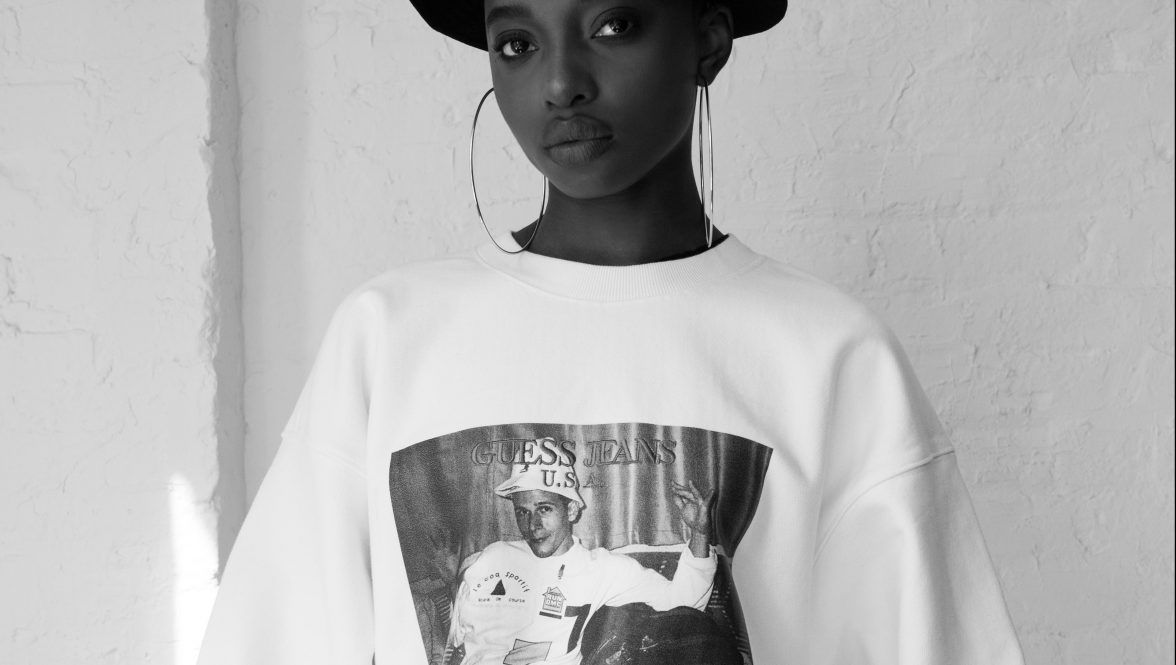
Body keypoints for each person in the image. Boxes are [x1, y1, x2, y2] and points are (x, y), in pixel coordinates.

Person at [196, 0, 1027, 663]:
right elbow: (273, 639)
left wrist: (697, 539)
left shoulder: (830, 356)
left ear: (708, 39)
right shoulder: (389, 339)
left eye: (613, 24)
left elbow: (705, 600)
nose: (561, 81)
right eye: (517, 42)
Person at [447, 457, 718, 665]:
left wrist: (700, 533)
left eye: (544, 509)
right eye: (522, 512)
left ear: (572, 510)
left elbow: (684, 602)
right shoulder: (490, 558)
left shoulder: (601, 569)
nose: (533, 525)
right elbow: (454, 640)